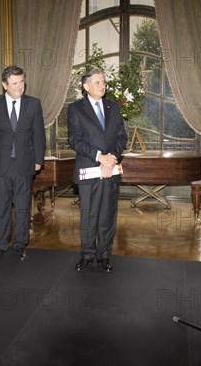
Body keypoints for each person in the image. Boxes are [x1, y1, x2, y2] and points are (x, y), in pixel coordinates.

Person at [0, 66, 45, 262]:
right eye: (15, 83)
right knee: (2, 207)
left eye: (22, 82)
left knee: (24, 206)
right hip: (0, 164)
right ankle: (1, 243)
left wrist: (38, 160)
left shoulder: (33, 104)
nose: (20, 87)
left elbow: (39, 135)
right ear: (4, 85)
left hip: (25, 165)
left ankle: (19, 244)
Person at [67, 67, 128, 273]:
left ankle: (104, 255)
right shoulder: (76, 108)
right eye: (98, 82)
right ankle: (86, 254)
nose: (103, 86)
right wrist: (99, 157)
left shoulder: (113, 107)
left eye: (103, 82)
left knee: (107, 215)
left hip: (110, 169)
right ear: (86, 86)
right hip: (88, 169)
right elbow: (75, 139)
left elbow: (121, 137)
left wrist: (111, 159)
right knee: (88, 215)